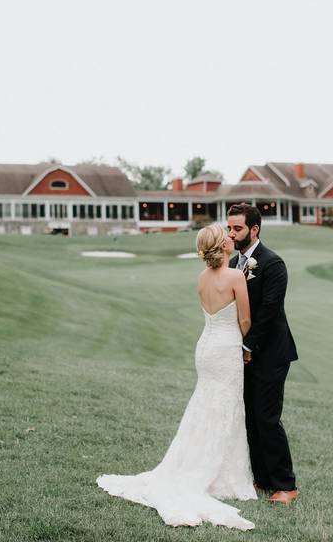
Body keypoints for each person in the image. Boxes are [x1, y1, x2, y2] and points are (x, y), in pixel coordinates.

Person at [96, 223, 258, 529]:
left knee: (205, 405)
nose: (229, 237)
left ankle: (199, 466)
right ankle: (223, 477)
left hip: (205, 347)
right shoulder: (236, 276)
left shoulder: (201, 279)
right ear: (223, 247)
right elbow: (246, 319)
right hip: (226, 349)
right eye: (226, 236)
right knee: (226, 407)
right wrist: (247, 346)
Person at [227, 202, 299, 505]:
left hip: (270, 353)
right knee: (250, 418)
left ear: (254, 229)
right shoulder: (233, 263)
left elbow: (269, 312)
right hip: (241, 353)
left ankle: (285, 485)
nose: (231, 233)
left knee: (267, 418)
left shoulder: (273, 264)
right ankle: (261, 478)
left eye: (237, 228)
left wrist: (248, 346)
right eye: (229, 227)